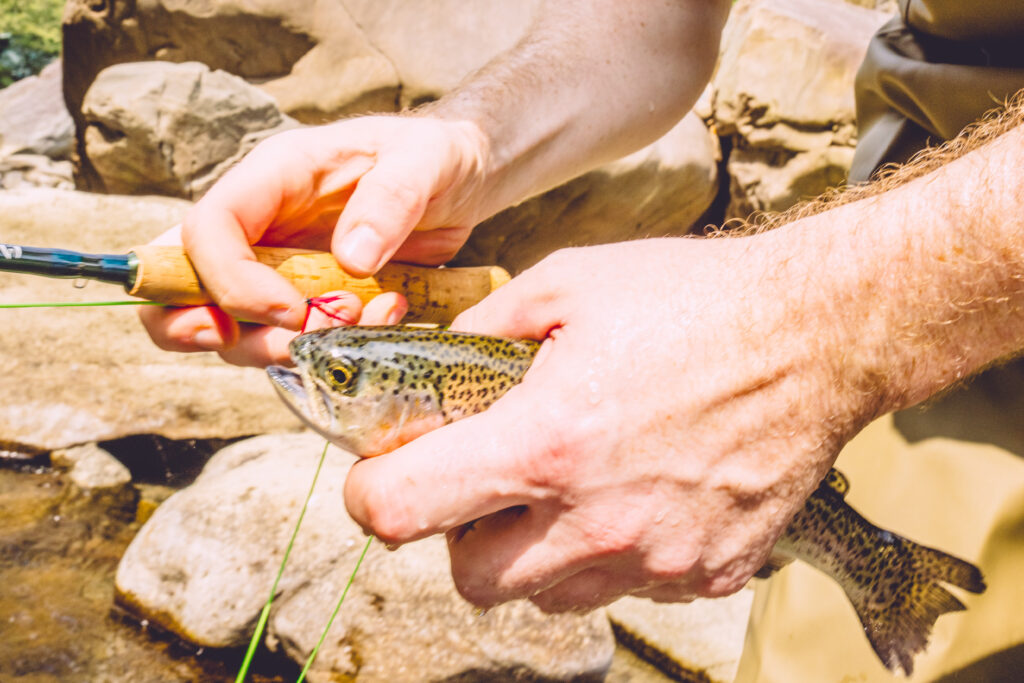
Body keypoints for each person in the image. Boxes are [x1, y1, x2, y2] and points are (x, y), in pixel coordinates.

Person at [140, 0, 1024, 679]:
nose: (310, 372)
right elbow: (650, 23)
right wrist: (469, 142)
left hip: (897, 282)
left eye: (338, 371)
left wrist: (805, 332)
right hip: (907, 239)